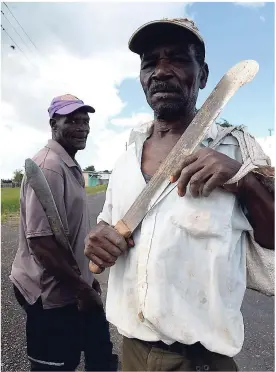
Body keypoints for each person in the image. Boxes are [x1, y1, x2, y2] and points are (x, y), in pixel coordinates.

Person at [84, 19, 274, 371]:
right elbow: (108, 226)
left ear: (202, 76)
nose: (161, 71)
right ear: (141, 79)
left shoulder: (240, 150)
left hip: (200, 361)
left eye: (177, 59)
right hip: (132, 353)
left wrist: (243, 181)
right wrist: (98, 239)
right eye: (150, 62)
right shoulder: (126, 159)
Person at [10, 94, 117, 371]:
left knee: (101, 356)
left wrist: (86, 280)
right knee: (56, 365)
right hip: (50, 293)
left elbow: (69, 231)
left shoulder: (68, 163)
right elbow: (42, 244)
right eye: (72, 120)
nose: (82, 127)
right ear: (53, 124)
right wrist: (81, 288)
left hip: (74, 285)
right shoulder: (48, 167)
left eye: (85, 120)